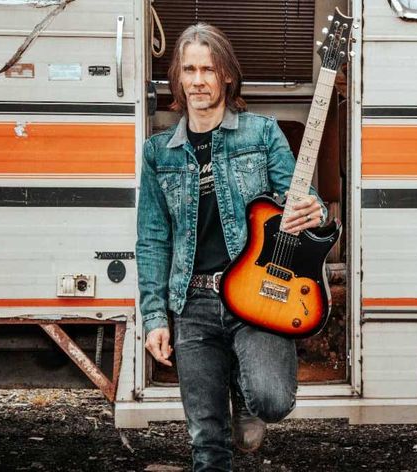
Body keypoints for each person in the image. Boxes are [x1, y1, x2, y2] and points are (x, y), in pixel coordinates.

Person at [136, 23, 326, 471]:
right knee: (206, 439)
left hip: (256, 293)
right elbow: (152, 238)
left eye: (208, 68)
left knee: (272, 400)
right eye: (189, 69)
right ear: (178, 79)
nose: (199, 79)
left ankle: (245, 393)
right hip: (192, 299)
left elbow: (299, 196)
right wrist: (154, 316)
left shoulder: (261, 134)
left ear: (226, 76)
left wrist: (311, 210)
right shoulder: (158, 152)